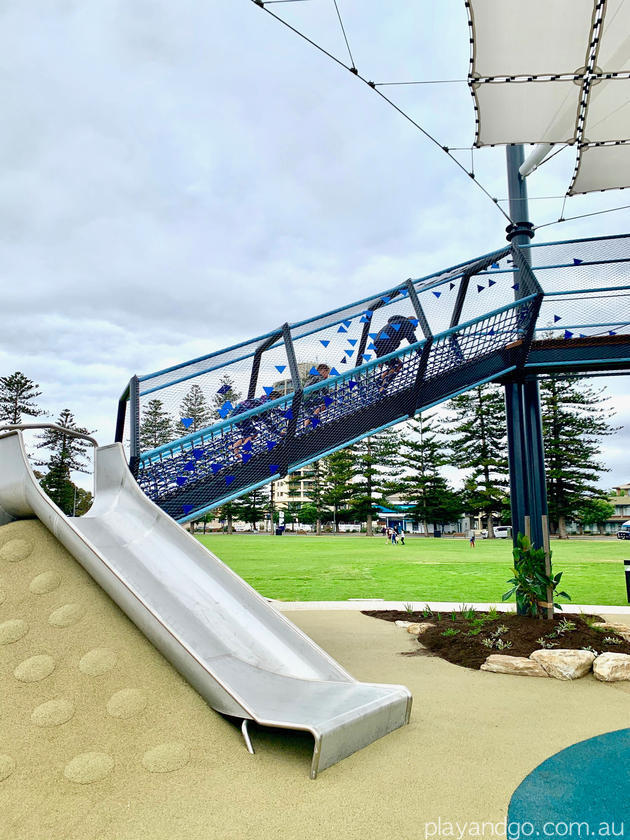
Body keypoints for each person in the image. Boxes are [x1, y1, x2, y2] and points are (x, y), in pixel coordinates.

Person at [373, 315, 420, 390]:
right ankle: (382, 388)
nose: (414, 329)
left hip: (379, 345)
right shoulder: (406, 323)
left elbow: (381, 341)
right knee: (397, 365)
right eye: (415, 327)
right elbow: (411, 338)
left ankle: (379, 380)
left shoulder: (395, 324)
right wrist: (420, 352)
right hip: (385, 343)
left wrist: (379, 357)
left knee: (394, 365)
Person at [303, 364, 331, 428]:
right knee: (327, 400)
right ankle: (317, 413)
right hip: (310, 396)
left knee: (310, 415)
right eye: (327, 373)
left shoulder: (311, 377)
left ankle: (304, 427)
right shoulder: (319, 377)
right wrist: (328, 395)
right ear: (323, 371)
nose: (327, 376)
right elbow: (323, 387)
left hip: (304, 399)